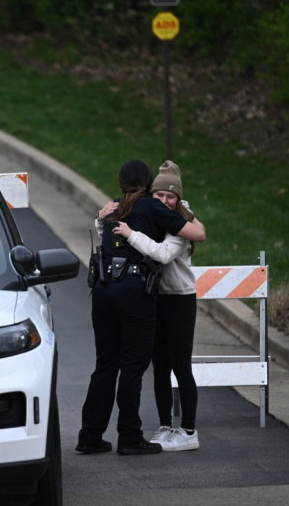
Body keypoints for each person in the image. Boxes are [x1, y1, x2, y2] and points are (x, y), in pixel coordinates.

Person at [77, 159, 205, 456]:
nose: (161, 199)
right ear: (148, 186)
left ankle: (90, 435)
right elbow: (196, 233)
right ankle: (130, 437)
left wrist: (98, 215)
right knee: (133, 367)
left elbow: (104, 230)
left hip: (103, 290)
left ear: (120, 183)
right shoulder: (150, 207)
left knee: (105, 366)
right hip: (135, 294)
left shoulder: (114, 207)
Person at [111, 160, 200, 452]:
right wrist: (103, 215)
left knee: (180, 365)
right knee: (159, 366)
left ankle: (188, 430)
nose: (163, 201)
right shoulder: (154, 217)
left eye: (170, 196)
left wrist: (131, 235)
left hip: (180, 299)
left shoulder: (181, 228)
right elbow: (118, 214)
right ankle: (165, 426)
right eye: (158, 195)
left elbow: (161, 254)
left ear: (177, 199)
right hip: (155, 298)